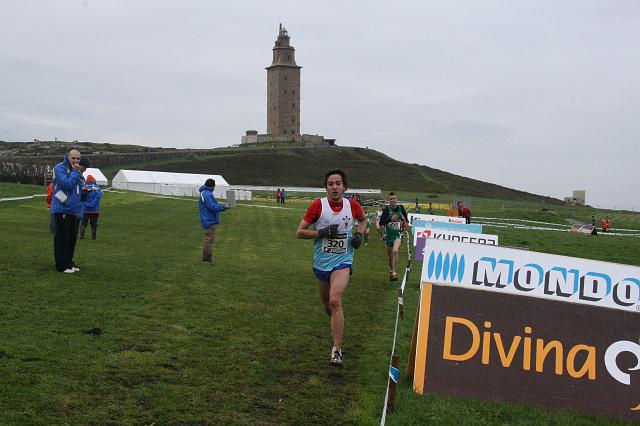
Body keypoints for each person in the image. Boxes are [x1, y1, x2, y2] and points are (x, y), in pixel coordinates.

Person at [296, 169, 366, 366]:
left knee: (335, 300)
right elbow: (300, 232)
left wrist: (359, 235)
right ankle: (337, 324)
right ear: (326, 187)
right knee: (328, 305)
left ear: (345, 187)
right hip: (321, 263)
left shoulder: (352, 205)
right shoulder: (318, 205)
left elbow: (363, 220)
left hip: (343, 260)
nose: (334, 187)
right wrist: (322, 232)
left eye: (338, 183)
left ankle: (337, 350)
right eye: (330, 184)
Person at [51, 149, 86, 273]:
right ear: (68, 157)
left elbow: (79, 186)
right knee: (62, 238)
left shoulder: (76, 171)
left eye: (78, 159)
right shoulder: (59, 168)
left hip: (73, 210)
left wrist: (85, 191)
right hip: (62, 209)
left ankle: (69, 262)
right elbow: (66, 185)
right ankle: (61, 265)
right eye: (74, 158)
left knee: (71, 239)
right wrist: (76, 172)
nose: (76, 161)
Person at [379, 192, 408, 281]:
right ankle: (391, 271)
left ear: (396, 199)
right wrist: (390, 219)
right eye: (391, 199)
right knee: (391, 257)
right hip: (388, 236)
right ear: (389, 200)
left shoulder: (401, 208)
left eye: (394, 198)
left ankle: (395, 273)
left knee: (395, 251)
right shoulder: (386, 210)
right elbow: (381, 223)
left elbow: (406, 219)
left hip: (397, 234)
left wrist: (405, 221)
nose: (393, 200)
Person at [198, 178, 229, 263]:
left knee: (209, 238)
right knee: (209, 239)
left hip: (207, 218)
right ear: (212, 186)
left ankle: (206, 257)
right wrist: (224, 207)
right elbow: (212, 206)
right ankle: (207, 258)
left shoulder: (204, 192)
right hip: (209, 219)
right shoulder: (207, 194)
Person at [79, 175, 103, 240]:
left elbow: (80, 197)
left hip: (85, 209)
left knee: (84, 223)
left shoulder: (84, 187)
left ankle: (81, 236)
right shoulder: (98, 187)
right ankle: (94, 237)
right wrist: (92, 204)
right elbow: (99, 196)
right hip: (94, 209)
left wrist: (86, 204)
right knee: (94, 223)